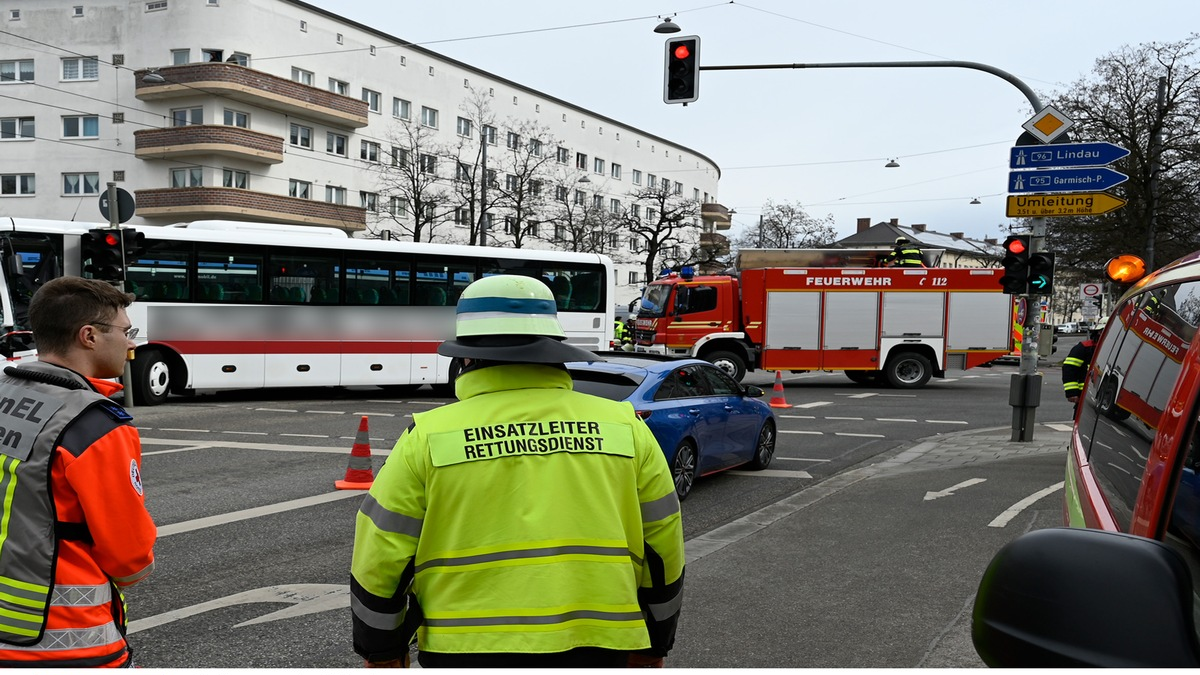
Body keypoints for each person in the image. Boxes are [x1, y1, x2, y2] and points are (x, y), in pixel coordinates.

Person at [351, 274, 685, 668]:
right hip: (602, 642)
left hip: (465, 649)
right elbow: (663, 544)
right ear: (552, 350)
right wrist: (655, 641)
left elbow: (381, 553)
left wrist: (382, 650)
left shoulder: (427, 436)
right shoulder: (625, 427)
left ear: (465, 357)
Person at [0, 277, 156, 667]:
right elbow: (130, 555)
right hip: (65, 639)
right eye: (125, 330)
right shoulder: (95, 425)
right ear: (89, 336)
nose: (132, 342)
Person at [1062, 317, 1108, 406]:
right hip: (1084, 395)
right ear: (1098, 332)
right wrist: (1072, 392)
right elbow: (1069, 369)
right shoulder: (1084, 348)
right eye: (1104, 331)